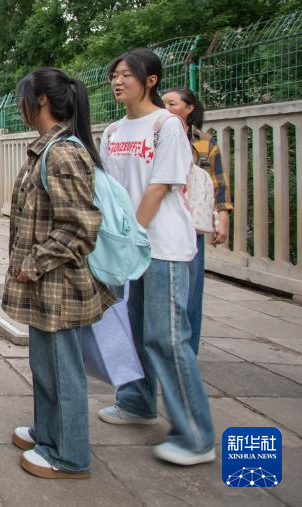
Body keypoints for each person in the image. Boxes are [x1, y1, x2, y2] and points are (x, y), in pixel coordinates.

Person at [98, 48, 215, 466]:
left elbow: (160, 186)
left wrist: (132, 236)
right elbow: (110, 190)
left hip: (163, 246)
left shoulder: (167, 126)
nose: (118, 81)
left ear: (150, 80)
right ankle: (136, 402)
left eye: (127, 74)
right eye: (114, 75)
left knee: (166, 337)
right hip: (128, 246)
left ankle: (196, 436)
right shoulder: (113, 132)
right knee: (133, 330)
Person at [3, 68, 113, 479]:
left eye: (23, 98)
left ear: (42, 100)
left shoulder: (62, 153)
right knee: (45, 365)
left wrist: (32, 264)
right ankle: (47, 434)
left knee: (62, 372)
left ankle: (69, 456)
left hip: (57, 284)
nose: (20, 106)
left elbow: (79, 227)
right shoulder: (50, 148)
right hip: (45, 284)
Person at [161, 87, 233, 354]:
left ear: (190, 108)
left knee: (191, 288)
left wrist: (222, 216)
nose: (167, 108)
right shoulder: (156, 134)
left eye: (173, 103)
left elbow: (217, 182)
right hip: (163, 219)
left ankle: (187, 350)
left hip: (192, 224)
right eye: (163, 103)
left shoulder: (203, 142)